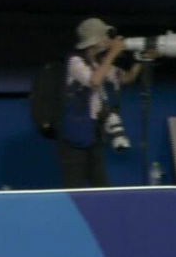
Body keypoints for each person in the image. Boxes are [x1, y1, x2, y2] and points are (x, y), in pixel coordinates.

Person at [59, 17, 148, 188]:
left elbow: (126, 78)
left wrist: (141, 60)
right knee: (75, 188)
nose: (109, 39)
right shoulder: (75, 61)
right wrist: (113, 53)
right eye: (105, 36)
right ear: (95, 40)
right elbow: (94, 81)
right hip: (74, 137)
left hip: (94, 134)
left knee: (101, 186)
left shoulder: (99, 62)